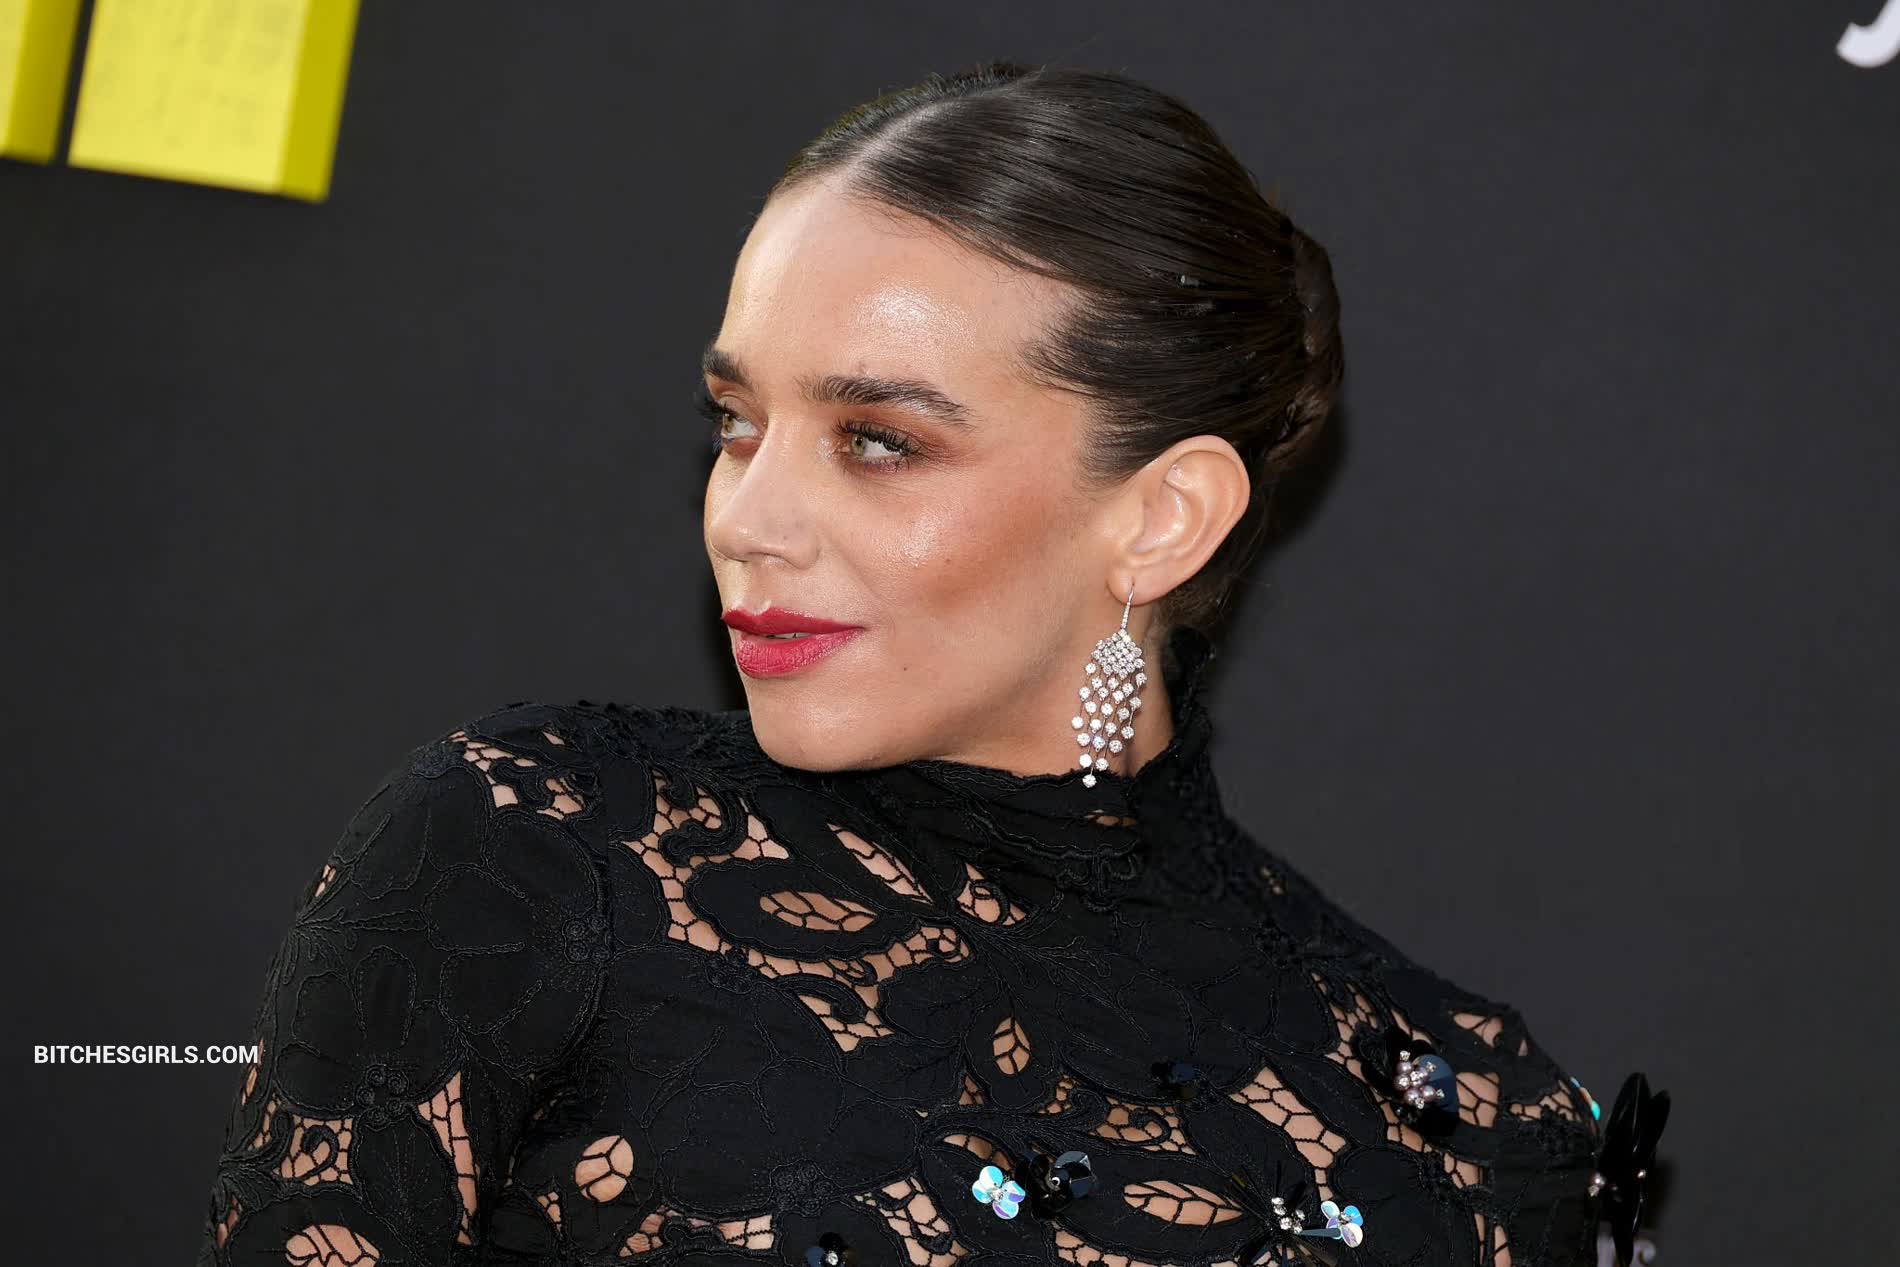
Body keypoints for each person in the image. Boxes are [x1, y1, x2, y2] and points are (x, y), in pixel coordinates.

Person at [196, 61, 1666, 1267]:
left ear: (1162, 517)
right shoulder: (534, 855)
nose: (746, 519)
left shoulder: (1474, 1115)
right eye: (736, 423)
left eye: (879, 442)